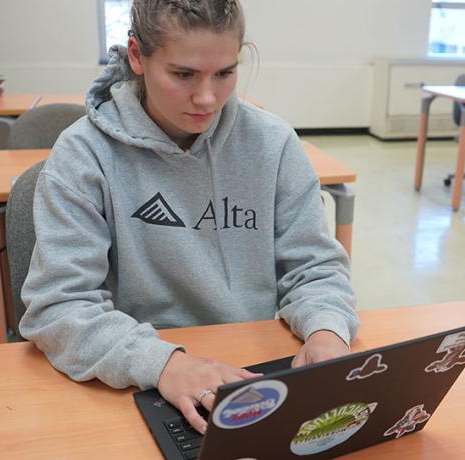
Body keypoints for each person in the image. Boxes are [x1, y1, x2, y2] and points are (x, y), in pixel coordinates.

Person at [19, 0, 359, 434]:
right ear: (137, 57)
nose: (207, 97)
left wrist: (327, 332)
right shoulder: (83, 155)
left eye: (225, 73)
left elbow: (316, 268)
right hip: (135, 378)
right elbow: (60, 305)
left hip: (253, 371)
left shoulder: (273, 144)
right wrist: (162, 363)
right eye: (183, 75)